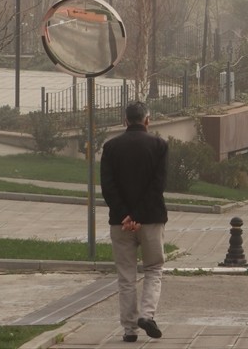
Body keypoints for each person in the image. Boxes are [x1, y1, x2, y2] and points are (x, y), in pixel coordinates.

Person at [100, 101, 168, 343]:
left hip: (120, 224)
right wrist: (138, 215)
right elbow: (157, 186)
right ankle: (147, 315)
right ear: (147, 120)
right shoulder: (159, 146)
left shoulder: (111, 147)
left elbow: (108, 186)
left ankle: (130, 330)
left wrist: (124, 215)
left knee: (126, 276)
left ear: (125, 121)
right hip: (151, 220)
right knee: (153, 269)